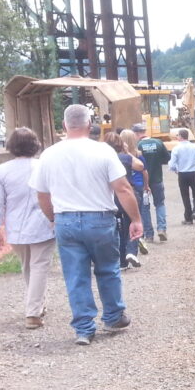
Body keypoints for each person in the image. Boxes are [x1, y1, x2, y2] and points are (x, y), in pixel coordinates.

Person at [31, 104, 143, 345]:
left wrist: (53, 218)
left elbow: (42, 194)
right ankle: (113, 316)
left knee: (75, 275)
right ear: (89, 124)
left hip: (66, 220)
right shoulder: (103, 151)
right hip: (99, 219)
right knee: (107, 269)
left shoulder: (49, 154)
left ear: (64, 125)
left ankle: (84, 328)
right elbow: (122, 188)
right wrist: (135, 219)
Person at [0, 127, 55, 329]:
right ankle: (33, 312)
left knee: (28, 267)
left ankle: (37, 304)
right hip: (43, 223)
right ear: (35, 145)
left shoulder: (2, 170)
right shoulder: (43, 166)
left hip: (15, 226)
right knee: (39, 267)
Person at [104, 132, 145, 270]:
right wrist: (128, 152)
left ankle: (122, 261)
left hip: (110, 196)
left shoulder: (102, 158)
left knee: (118, 229)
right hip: (127, 194)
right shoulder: (124, 157)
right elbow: (140, 166)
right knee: (133, 222)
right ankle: (131, 252)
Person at [133, 122, 169, 242]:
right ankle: (162, 229)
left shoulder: (137, 146)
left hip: (143, 183)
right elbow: (166, 158)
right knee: (160, 204)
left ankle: (149, 235)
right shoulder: (158, 142)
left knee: (144, 208)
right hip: (157, 180)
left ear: (137, 133)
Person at [169, 128, 195, 225]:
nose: (177, 137)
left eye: (178, 135)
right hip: (193, 173)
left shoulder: (176, 148)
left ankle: (188, 218)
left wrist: (175, 170)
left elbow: (172, 165)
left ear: (181, 137)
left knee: (185, 196)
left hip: (182, 174)